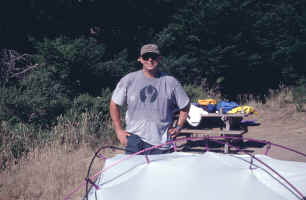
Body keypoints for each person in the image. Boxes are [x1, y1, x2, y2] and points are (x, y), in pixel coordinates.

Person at [109, 44, 190, 154]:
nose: (150, 60)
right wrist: (119, 130)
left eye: (153, 56)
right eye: (146, 57)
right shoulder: (128, 80)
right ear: (140, 59)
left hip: (161, 142)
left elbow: (185, 106)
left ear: (159, 58)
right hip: (134, 140)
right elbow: (114, 104)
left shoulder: (170, 82)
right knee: (134, 171)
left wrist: (178, 127)